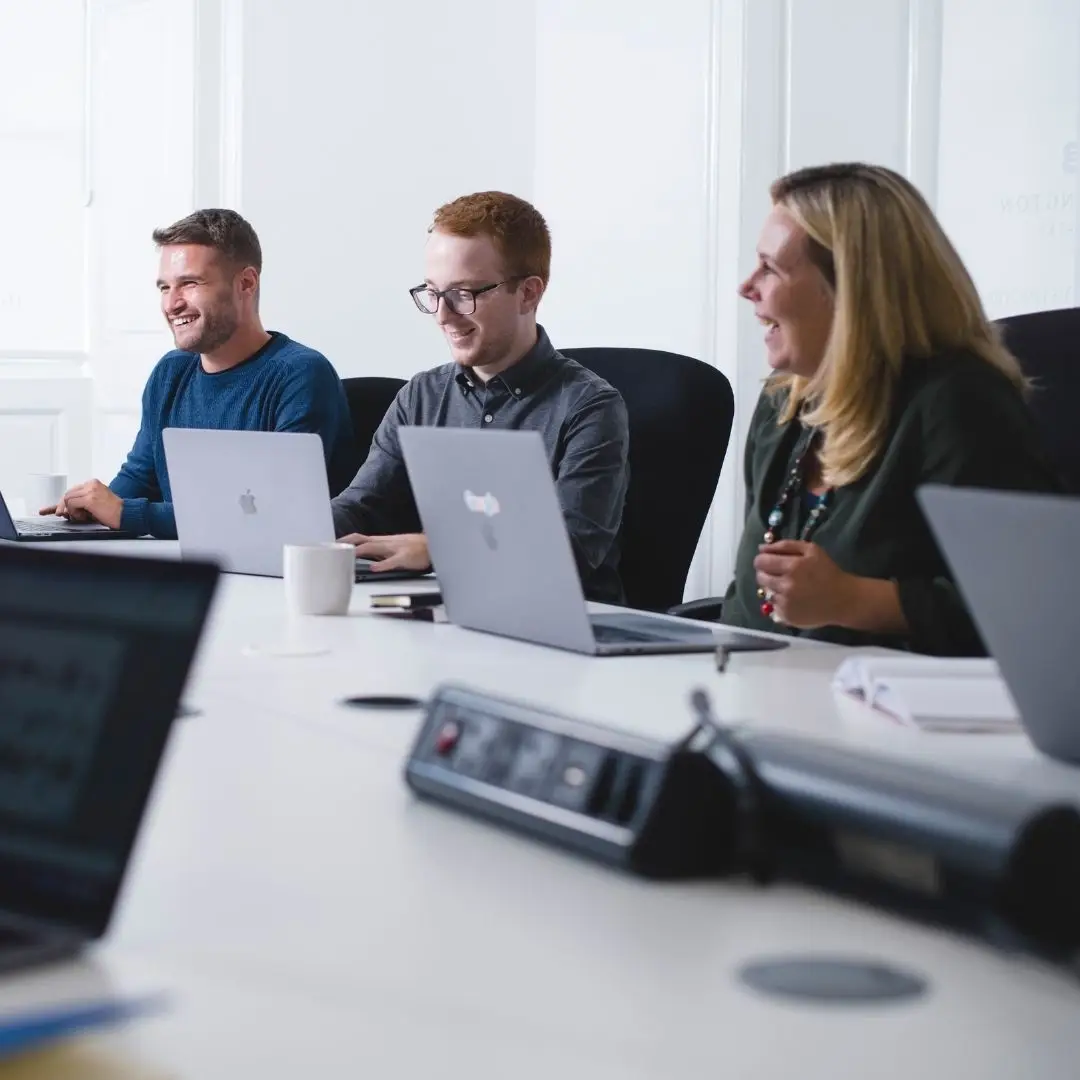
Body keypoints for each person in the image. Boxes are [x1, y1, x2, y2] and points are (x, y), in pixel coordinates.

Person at [721, 162, 1061, 656]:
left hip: (893, 717)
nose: (747, 286)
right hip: (751, 695)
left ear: (849, 291)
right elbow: (745, 606)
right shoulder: (784, 398)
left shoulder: (961, 404)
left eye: (770, 267)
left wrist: (855, 600)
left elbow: (1033, 612)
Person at [332, 191, 630, 604]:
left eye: (463, 294)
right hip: (444, 619)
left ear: (528, 293)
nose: (442, 315)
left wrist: (437, 548)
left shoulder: (589, 407)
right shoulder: (422, 395)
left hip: (561, 631)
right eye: (433, 293)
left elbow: (570, 547)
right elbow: (362, 504)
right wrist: (293, 528)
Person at [45, 209, 356, 538]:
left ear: (246, 283)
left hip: (274, 577)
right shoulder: (171, 373)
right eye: (165, 288)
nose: (171, 304)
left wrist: (126, 513)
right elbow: (141, 478)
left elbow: (270, 512)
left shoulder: (300, 374)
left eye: (189, 283)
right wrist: (91, 506)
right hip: (186, 568)